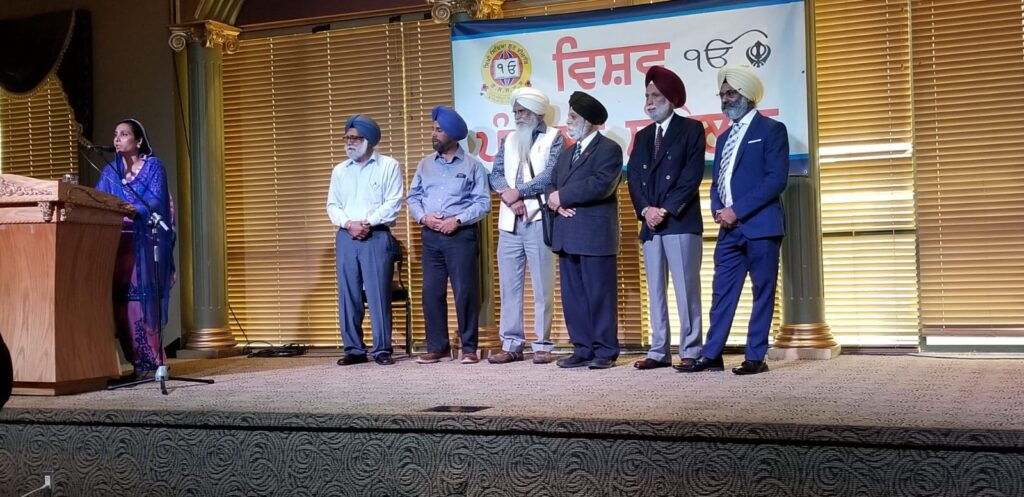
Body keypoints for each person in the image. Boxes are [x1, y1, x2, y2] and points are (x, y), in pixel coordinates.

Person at [679, 65, 789, 375]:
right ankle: (711, 355)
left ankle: (755, 357)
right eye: (722, 94)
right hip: (728, 228)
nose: (725, 99)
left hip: (761, 226)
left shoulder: (772, 130)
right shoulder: (724, 136)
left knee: (762, 292)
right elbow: (717, 182)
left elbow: (775, 180)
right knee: (721, 293)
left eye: (731, 93)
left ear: (748, 95)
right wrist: (718, 209)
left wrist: (736, 210)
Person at [627, 66, 706, 370]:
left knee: (686, 290)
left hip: (679, 220)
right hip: (650, 224)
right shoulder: (643, 135)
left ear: (671, 98)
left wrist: (665, 210)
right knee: (656, 291)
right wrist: (646, 210)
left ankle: (691, 349)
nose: (649, 101)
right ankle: (659, 350)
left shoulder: (691, 130)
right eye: (647, 95)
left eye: (656, 96)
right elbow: (634, 178)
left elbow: (691, 177)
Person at [407, 106, 490, 364]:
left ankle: (469, 348)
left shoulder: (473, 166)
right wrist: (424, 217)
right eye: (433, 129)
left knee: (465, 292)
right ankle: (438, 347)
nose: (434, 134)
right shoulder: (424, 165)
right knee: (431, 292)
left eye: (439, 130)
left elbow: (483, 203)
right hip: (431, 236)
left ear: (453, 135)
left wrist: (458, 220)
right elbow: (413, 197)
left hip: (460, 236)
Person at [547, 91, 623, 369]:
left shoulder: (609, 149)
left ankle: (605, 350)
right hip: (567, 233)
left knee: (599, 295)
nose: (568, 121)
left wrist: (563, 197)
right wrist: (555, 202)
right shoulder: (567, 153)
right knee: (574, 297)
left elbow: (601, 184)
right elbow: (551, 184)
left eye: (573, 116)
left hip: (594, 235)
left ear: (589, 121)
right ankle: (582, 348)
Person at [487, 87, 563, 365]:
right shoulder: (508, 139)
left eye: (522, 111)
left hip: (538, 218)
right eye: (515, 112)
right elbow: (496, 174)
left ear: (536, 112)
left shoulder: (555, 137)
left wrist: (519, 192)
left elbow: (551, 175)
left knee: (543, 286)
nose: (517, 116)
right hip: (509, 221)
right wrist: (509, 196)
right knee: (509, 286)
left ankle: (542, 344)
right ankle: (511, 344)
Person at [95, 118, 176, 375]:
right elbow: (99, 201)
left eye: (124, 134)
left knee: (139, 302)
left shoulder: (154, 167)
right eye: (115, 134)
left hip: (145, 243)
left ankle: (154, 361)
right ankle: (137, 363)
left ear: (139, 141)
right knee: (121, 304)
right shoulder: (110, 172)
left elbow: (157, 202)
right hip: (118, 244)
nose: (117, 139)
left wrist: (132, 209)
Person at [327, 115, 404, 366]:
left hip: (377, 235)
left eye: (355, 138)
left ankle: (382, 349)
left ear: (368, 140)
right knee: (348, 294)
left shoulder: (389, 166)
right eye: (347, 138)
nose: (349, 142)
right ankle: (354, 350)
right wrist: (349, 224)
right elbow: (333, 205)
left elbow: (393, 203)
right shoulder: (340, 170)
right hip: (346, 235)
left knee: (377, 293)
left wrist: (367, 223)